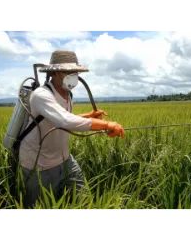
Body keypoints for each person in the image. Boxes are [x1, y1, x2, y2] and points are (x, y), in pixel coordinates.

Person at [18, 50, 125, 208]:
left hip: (65, 159)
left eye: (74, 72)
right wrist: (107, 125)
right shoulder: (41, 95)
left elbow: (61, 117)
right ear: (53, 73)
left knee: (83, 201)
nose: (73, 75)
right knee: (40, 207)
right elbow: (65, 120)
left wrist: (88, 117)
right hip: (38, 164)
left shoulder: (67, 95)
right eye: (68, 71)